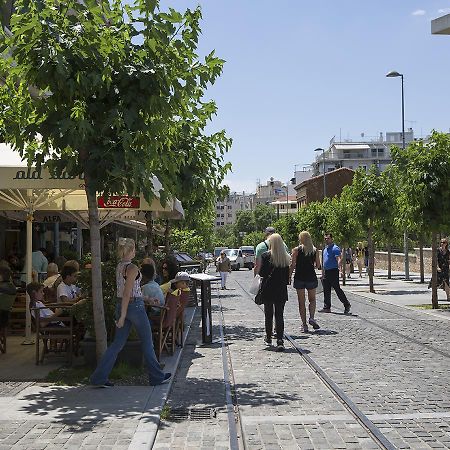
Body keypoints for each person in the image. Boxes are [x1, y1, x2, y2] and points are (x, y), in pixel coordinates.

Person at [90, 237, 171, 387]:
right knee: (147, 342)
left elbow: (129, 291)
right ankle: (156, 376)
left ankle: (99, 377)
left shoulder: (119, 266)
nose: (135, 251)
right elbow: (128, 292)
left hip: (123, 304)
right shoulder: (133, 268)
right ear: (131, 250)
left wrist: (145, 299)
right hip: (134, 307)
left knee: (117, 344)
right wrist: (123, 316)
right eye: (134, 249)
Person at [259, 233, 290, 352]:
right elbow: (287, 277)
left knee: (268, 314)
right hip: (281, 289)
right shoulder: (285, 257)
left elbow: (262, 273)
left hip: (268, 289)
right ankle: (280, 339)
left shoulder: (266, 256)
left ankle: (268, 336)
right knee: (279, 315)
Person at [290, 231, 321, 333]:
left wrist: (289, 276)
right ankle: (311, 317)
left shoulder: (296, 250)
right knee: (312, 299)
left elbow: (293, 264)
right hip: (311, 277)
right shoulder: (315, 250)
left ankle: (304, 325)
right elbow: (318, 265)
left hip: (299, 277)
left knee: (301, 302)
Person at [319, 233, 351, 315]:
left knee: (337, 289)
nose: (326, 240)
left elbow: (339, 259)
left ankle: (346, 304)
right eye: (325, 238)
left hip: (333, 271)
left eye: (328, 238)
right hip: (326, 272)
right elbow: (324, 262)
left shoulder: (335, 248)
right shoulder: (325, 249)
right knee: (326, 290)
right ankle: (327, 307)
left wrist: (340, 270)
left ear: (332, 239)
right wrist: (322, 273)